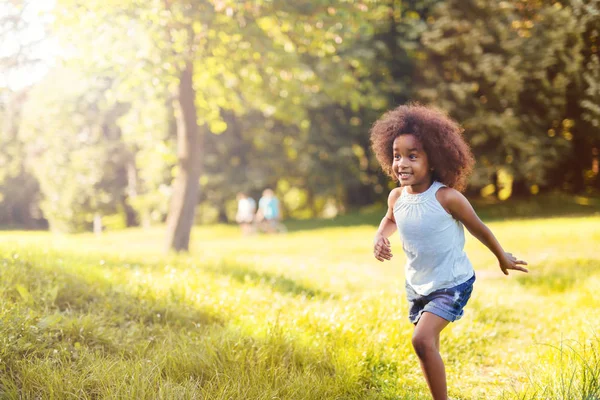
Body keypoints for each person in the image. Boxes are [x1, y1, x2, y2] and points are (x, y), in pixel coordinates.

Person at [370, 104, 529, 400]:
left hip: (452, 283)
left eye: (412, 156)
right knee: (429, 344)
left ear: (434, 160)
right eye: (396, 156)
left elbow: (478, 227)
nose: (402, 163)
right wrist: (381, 235)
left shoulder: (447, 198)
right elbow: (391, 219)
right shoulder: (396, 197)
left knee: (421, 340)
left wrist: (501, 256)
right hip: (417, 284)